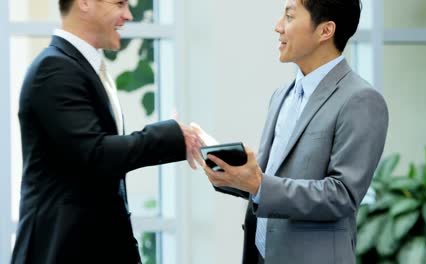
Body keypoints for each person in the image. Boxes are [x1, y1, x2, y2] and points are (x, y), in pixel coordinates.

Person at [11, 0, 202, 263]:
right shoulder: (55, 69)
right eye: (120, 3)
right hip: (63, 250)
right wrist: (170, 136)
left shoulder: (77, 66)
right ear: (85, 3)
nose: (128, 15)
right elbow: (96, 153)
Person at [201, 0, 389, 263]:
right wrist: (231, 174)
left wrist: (259, 184)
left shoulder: (361, 100)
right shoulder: (282, 95)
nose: (278, 27)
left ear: (325, 31)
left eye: (289, 17)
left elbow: (342, 195)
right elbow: (268, 181)